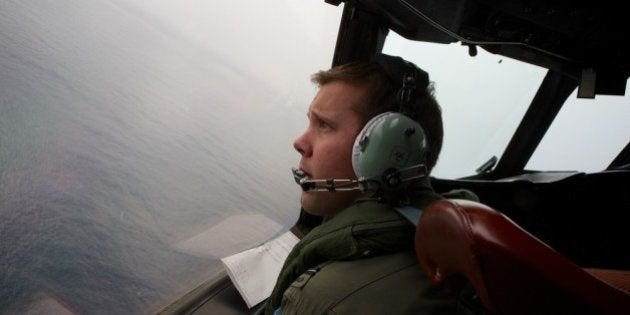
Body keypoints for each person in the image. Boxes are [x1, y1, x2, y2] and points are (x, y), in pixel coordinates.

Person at [265, 54, 482, 314]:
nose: (299, 142)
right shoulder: (439, 230)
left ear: (388, 153)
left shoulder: (322, 300)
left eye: (324, 125)